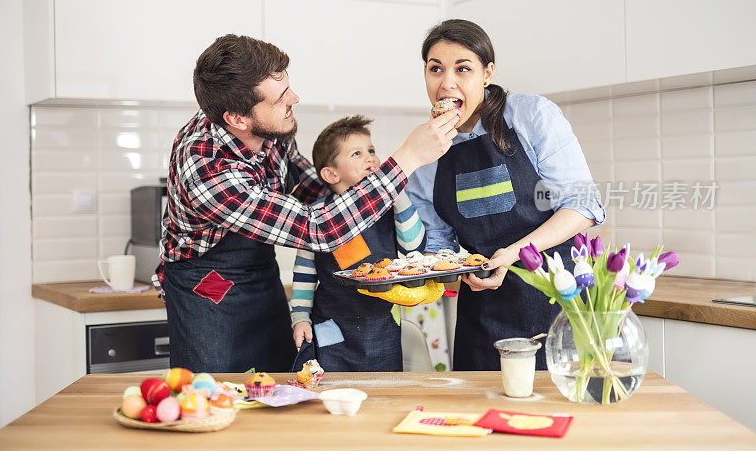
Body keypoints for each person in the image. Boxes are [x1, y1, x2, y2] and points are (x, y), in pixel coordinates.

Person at [155, 34, 460, 374]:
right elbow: (318, 229)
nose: (294, 100)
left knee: (275, 385)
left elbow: (304, 187)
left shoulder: (270, 124)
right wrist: (407, 158)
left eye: (288, 89)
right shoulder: (206, 168)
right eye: (281, 99)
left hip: (258, 271)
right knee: (216, 393)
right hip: (207, 283)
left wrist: (353, 183)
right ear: (238, 119)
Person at [406, 19, 606, 371]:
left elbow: (583, 207)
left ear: (487, 73)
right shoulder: (424, 153)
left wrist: (514, 253)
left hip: (558, 298)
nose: (446, 82)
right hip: (483, 314)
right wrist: (439, 269)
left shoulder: (531, 115)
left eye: (462, 68)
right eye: (435, 69)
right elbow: (440, 243)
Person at [289, 116, 426, 372]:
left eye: (371, 150)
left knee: (382, 394)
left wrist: (398, 194)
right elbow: (304, 276)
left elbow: (414, 250)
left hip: (382, 327)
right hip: (332, 326)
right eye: (357, 153)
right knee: (332, 393)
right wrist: (299, 319)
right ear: (331, 174)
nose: (370, 158)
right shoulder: (316, 216)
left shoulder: (389, 208)